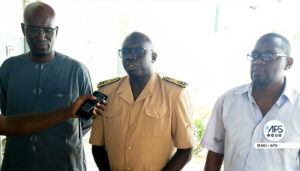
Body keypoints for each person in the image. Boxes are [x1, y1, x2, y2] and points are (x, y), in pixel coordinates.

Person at [0, 2, 93, 171]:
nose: (41, 36)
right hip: (18, 163)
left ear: (56, 31)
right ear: (23, 29)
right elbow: (7, 118)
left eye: (48, 30)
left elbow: (85, 123)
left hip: (64, 164)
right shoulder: (9, 68)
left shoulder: (77, 70)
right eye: (34, 29)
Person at [89, 32, 194, 171]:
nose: (131, 56)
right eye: (126, 52)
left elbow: (186, 149)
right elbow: (97, 145)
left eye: (138, 51)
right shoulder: (106, 92)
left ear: (153, 57)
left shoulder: (174, 93)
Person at [201, 33, 298, 171]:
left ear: (288, 63)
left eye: (269, 56)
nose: (259, 61)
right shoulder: (228, 101)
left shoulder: (297, 108)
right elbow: (215, 153)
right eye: (255, 55)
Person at [0, 95, 105, 136]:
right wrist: (68, 112)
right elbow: (7, 124)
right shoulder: (8, 67)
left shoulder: (78, 69)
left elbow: (8, 124)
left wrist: (69, 112)